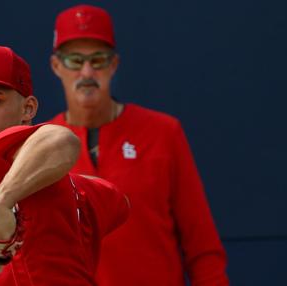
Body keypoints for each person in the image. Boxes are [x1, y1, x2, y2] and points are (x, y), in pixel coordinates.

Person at [49, 4, 229, 286]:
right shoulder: (41, 143)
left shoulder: (163, 132)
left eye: (98, 59)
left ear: (113, 64)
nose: (87, 72)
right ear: (57, 66)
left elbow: (202, 244)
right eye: (74, 60)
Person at [0, 44, 129, 286]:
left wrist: (0, 201)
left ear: (28, 109)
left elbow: (61, 139)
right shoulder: (40, 180)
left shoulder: (2, 149)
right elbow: (119, 201)